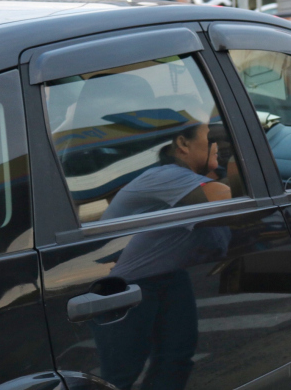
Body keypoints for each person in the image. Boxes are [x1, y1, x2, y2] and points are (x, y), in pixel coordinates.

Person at [94, 122, 232, 390]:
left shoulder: (196, 177)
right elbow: (224, 200)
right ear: (183, 144)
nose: (222, 142)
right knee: (120, 375)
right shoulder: (165, 176)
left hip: (166, 275)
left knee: (176, 358)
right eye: (213, 137)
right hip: (123, 286)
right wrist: (242, 160)